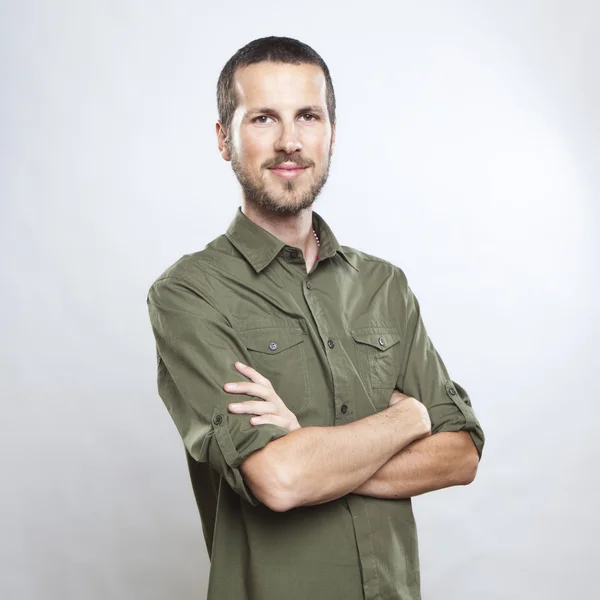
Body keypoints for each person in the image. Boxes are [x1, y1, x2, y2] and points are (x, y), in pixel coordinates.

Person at [147, 35, 485, 600]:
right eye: (262, 119)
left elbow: (461, 455)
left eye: (308, 115)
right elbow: (279, 480)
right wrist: (407, 420)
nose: (289, 141)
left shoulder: (385, 286)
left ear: (331, 132)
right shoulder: (188, 294)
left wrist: (311, 452)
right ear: (223, 140)